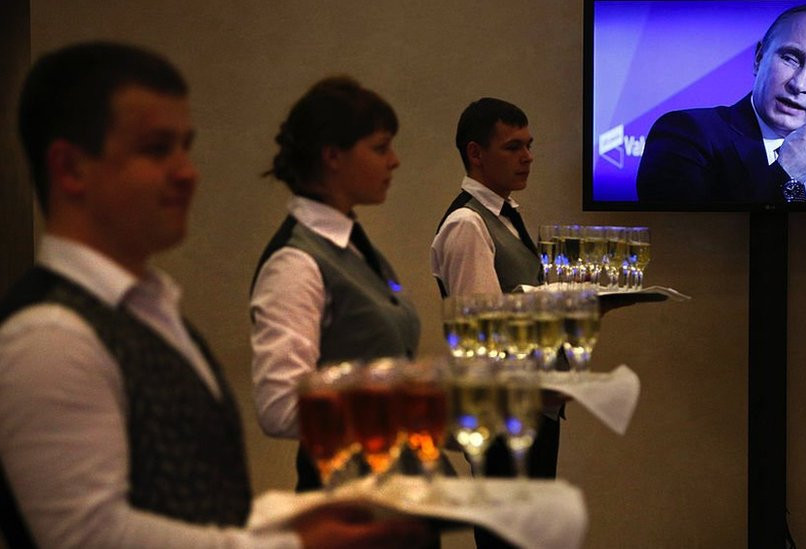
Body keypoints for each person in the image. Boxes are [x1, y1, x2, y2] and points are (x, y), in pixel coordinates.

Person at [0, 41, 431, 548]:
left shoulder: (147, 309)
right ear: (71, 169)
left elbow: (190, 499)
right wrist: (289, 543)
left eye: (186, 147)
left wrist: (281, 523)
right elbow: (90, 538)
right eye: (158, 149)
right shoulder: (50, 335)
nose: (188, 172)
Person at [250, 77, 422, 492]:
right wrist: (405, 407)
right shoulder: (296, 262)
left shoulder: (352, 245)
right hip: (347, 497)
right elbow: (280, 406)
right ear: (333, 156)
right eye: (380, 148)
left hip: (396, 488)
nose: (394, 161)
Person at [430, 98, 561, 548]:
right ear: (476, 153)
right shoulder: (468, 224)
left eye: (529, 145)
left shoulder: (509, 213)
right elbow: (483, 337)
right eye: (512, 147)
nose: (528, 157)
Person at [636, 4, 806, 204]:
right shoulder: (687, 135)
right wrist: (788, 173)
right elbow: (685, 239)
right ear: (759, 58)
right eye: (790, 58)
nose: (799, 84)